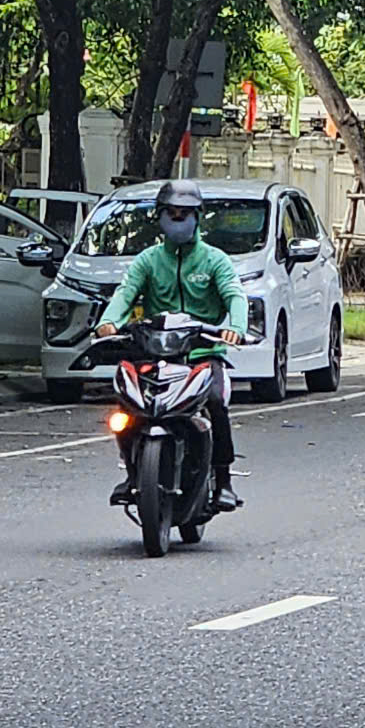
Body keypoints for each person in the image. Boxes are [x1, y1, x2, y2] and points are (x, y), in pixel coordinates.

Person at [94, 180, 248, 512]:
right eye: (171, 214)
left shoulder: (214, 261)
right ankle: (134, 473)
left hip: (203, 356)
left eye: (185, 214)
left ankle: (224, 481)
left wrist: (235, 327)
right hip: (154, 354)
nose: (178, 220)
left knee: (217, 406)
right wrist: (109, 323)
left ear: (198, 218)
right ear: (160, 217)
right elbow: (125, 293)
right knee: (126, 409)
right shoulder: (148, 260)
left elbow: (235, 296)